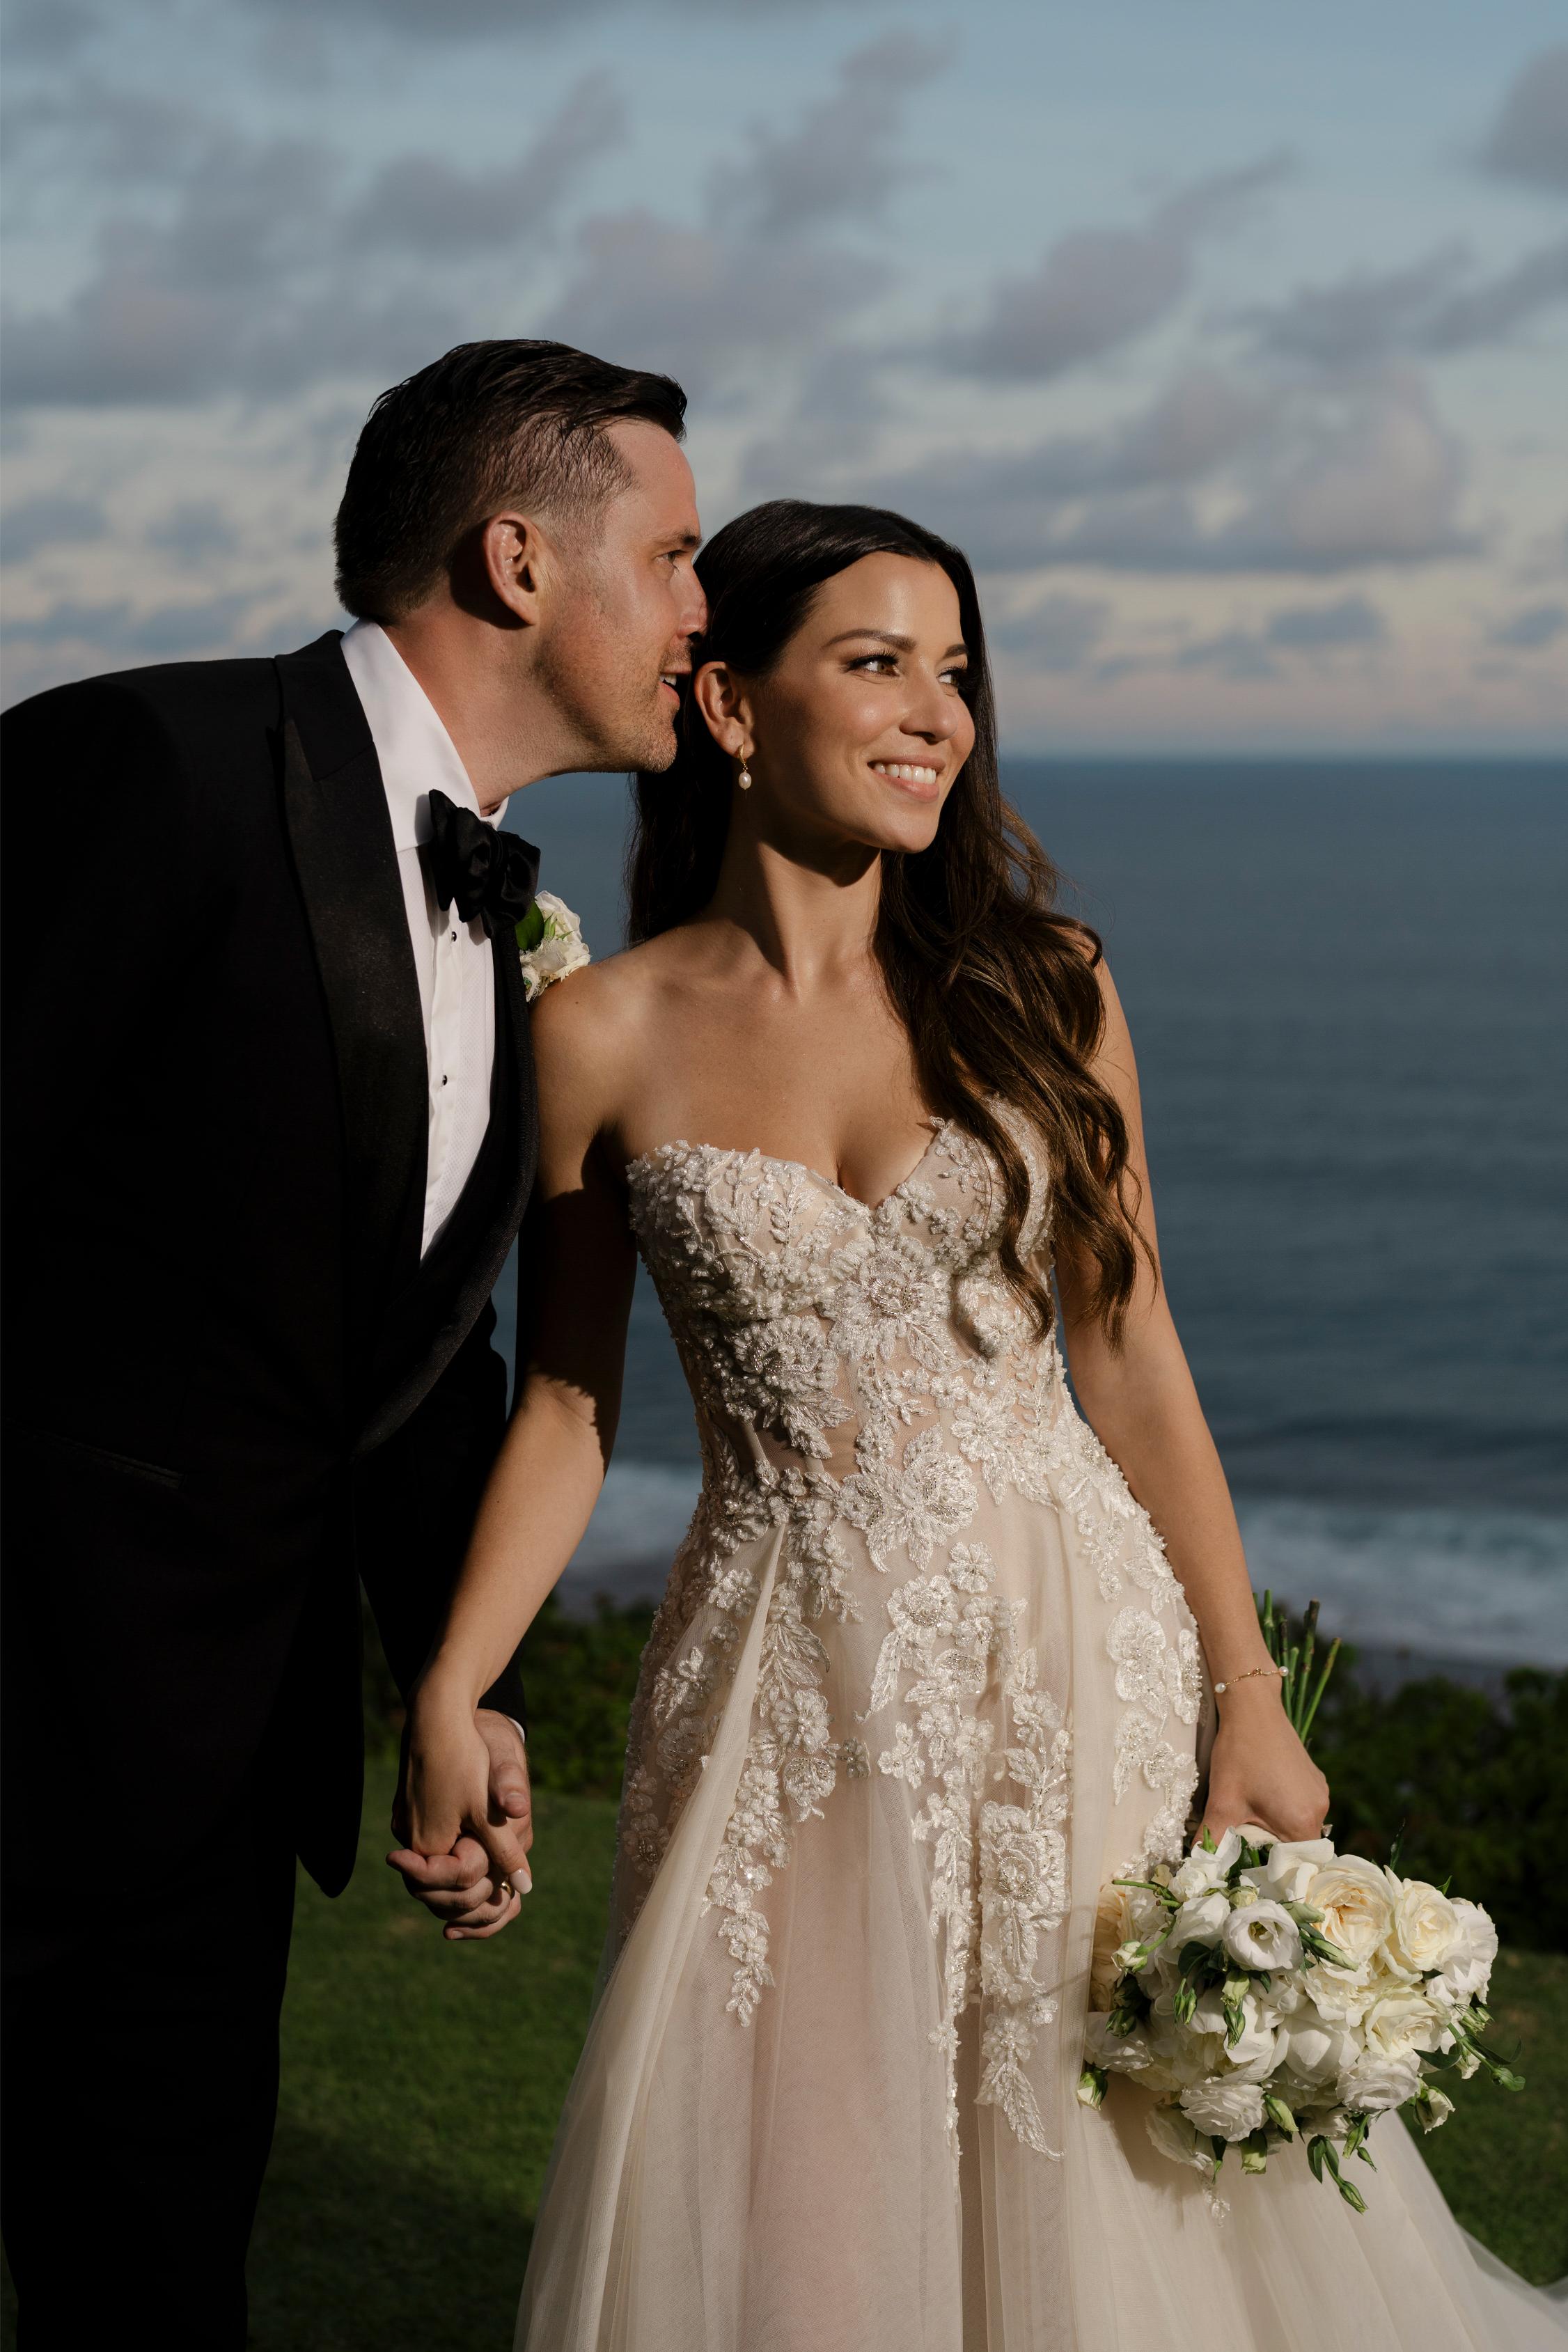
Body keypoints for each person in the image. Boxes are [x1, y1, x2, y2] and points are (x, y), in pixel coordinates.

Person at [405, 500, 1565, 2350]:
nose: (935, 711)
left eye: (954, 673)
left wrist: (1243, 1694)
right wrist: (457, 1681)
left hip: (1067, 1652)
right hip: (773, 1679)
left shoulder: (1045, 981)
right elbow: (561, 1402)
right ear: (726, 704)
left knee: (1098, 2171)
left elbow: (1130, 1351)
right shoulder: (598, 1035)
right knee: (793, 2161)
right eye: (874, 663)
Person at [0, 338, 704, 2349]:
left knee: (153, 2290)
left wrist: (454, 1672)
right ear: (514, 563)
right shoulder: (136, 762)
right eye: (664, 558)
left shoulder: (508, 920)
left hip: (223, 1785)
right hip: (20, 1699)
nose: (696, 612)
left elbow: (397, 1366)